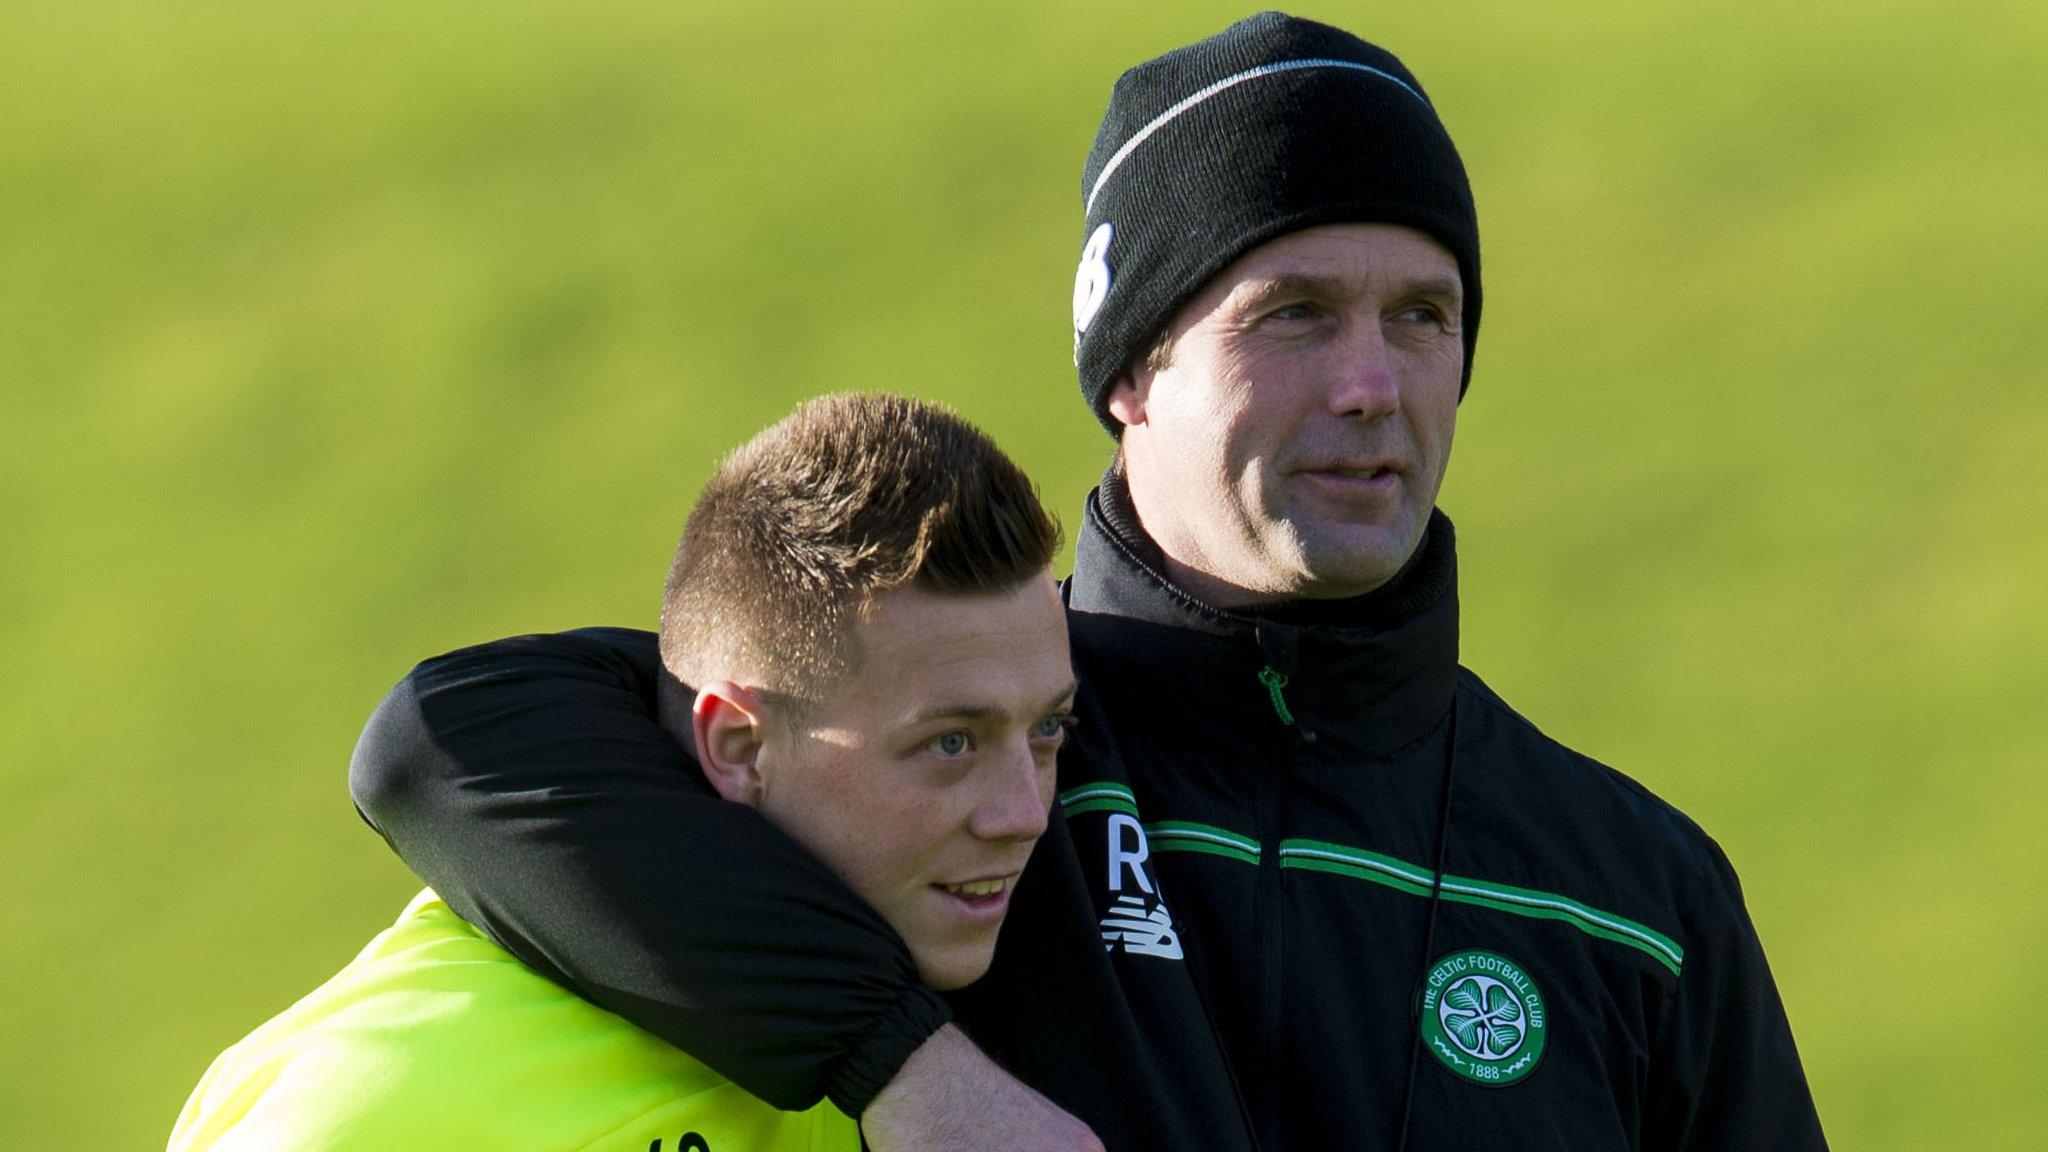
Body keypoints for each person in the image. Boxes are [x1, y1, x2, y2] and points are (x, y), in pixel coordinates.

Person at [349, 13, 1828, 1151]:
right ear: (1133, 370)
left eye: (1424, 316)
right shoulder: (951, 745)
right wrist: (912, 1078)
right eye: (1295, 316)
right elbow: (449, 743)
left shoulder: (1637, 896)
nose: (1375, 385)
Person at [168, 394, 1092, 1151]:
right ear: (736, 746)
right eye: (950, 744)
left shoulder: (915, 1034)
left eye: (1047, 730)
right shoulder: (384, 1107)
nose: (1023, 813)